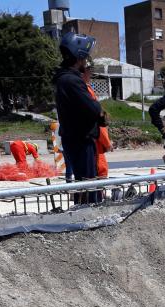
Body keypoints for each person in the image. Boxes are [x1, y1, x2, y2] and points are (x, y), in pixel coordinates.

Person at [53, 32, 105, 202]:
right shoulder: (72, 81)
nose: (85, 62)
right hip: (81, 140)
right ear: (79, 56)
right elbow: (93, 107)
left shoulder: (64, 79)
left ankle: (82, 211)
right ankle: (88, 218)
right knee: (88, 184)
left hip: (74, 139)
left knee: (82, 183)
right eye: (84, 58)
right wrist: (99, 112)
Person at [80, 63, 112, 178]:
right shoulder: (86, 91)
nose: (91, 74)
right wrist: (107, 143)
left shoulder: (74, 90)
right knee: (99, 173)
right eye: (90, 71)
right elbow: (98, 122)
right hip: (93, 142)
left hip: (78, 141)